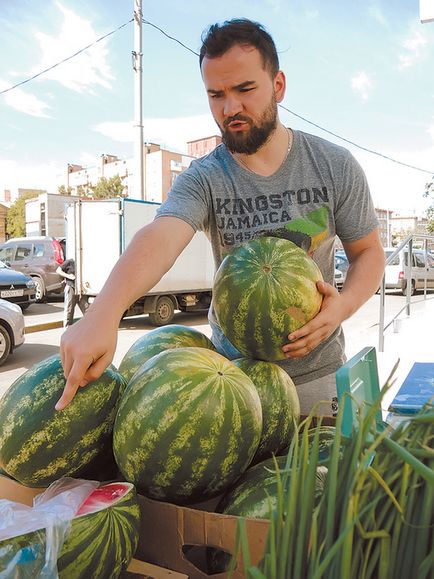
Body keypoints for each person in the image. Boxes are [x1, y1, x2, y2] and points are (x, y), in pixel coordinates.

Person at [56, 18, 385, 414]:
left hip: (319, 378)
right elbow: (161, 237)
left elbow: (368, 253)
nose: (231, 108)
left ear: (278, 86)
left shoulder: (333, 165)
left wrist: (343, 307)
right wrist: (103, 313)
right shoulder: (206, 178)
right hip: (235, 388)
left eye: (245, 89)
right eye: (216, 95)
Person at [56, 258, 89, 327]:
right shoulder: (70, 262)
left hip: (81, 289)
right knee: (69, 309)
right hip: (71, 287)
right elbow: (58, 270)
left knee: (87, 309)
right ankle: (67, 328)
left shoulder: (85, 262)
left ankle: (90, 327)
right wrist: (68, 276)